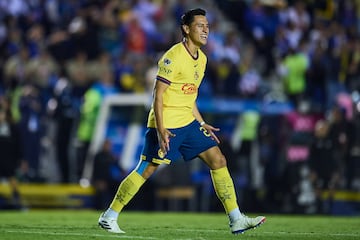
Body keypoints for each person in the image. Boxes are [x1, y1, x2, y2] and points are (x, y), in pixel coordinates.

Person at [98, 8, 266, 235]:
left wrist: (201, 122)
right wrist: (160, 129)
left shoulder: (203, 60)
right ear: (186, 29)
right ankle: (110, 216)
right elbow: (158, 95)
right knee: (146, 170)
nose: (206, 29)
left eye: (207, 26)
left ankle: (236, 219)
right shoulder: (172, 57)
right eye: (200, 25)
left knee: (218, 159)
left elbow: (190, 96)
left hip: (189, 123)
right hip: (167, 124)